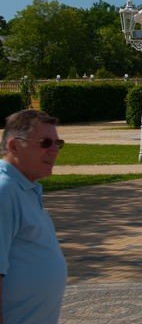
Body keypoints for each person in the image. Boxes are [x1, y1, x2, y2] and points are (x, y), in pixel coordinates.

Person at [1, 110, 68, 323]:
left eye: (58, 143)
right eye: (45, 142)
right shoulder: (5, 191)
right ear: (14, 146)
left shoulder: (26, 188)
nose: (54, 150)